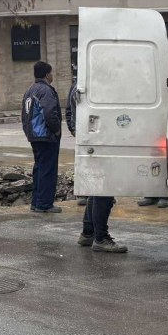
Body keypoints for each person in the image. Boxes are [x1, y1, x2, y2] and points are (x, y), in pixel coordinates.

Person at [66, 82, 127, 253]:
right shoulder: (95, 86)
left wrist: (77, 133)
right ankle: (101, 238)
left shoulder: (80, 86)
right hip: (99, 141)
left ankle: (88, 233)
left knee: (96, 189)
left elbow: (70, 113)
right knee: (104, 190)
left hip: (89, 140)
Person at [22, 61, 62, 213]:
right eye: (51, 73)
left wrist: (28, 132)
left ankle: (36, 202)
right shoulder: (45, 90)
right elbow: (50, 113)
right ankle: (45, 204)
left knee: (39, 168)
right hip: (45, 136)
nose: (52, 76)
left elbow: (24, 115)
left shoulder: (30, 90)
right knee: (47, 170)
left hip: (34, 136)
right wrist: (56, 130)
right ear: (47, 74)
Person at [65, 81, 87, 207]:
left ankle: (104, 195)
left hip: (100, 132)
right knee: (83, 162)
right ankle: (84, 193)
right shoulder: (75, 87)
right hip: (82, 131)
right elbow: (69, 110)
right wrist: (72, 128)